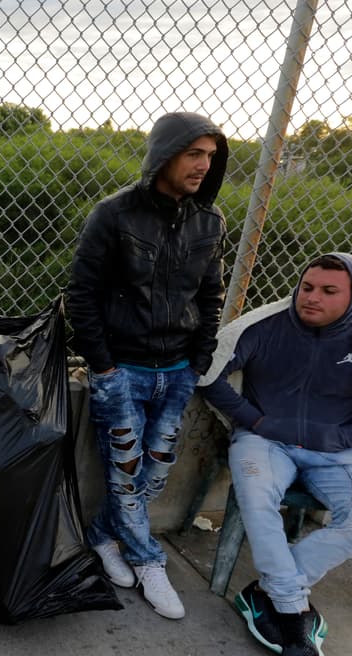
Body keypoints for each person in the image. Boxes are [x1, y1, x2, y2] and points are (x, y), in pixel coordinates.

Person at [199, 252, 352, 656]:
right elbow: (208, 373)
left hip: (340, 448)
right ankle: (292, 612)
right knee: (256, 499)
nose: (311, 298)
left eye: (328, 291)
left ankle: (270, 594)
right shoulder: (264, 325)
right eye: (307, 287)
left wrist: (344, 437)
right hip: (264, 439)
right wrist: (252, 419)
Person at [66, 112, 229, 619]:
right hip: (123, 370)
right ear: (165, 154)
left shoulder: (210, 221)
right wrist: (104, 367)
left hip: (178, 371)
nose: (203, 165)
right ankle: (147, 558)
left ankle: (102, 536)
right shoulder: (113, 215)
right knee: (125, 470)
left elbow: (211, 294)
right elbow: (81, 294)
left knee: (154, 472)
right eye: (193, 153)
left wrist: (199, 358)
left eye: (210, 155)